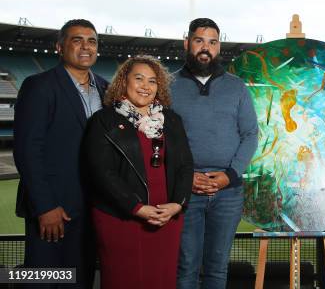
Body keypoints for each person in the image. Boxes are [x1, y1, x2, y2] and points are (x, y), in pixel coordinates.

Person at [83, 55, 193, 289]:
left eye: (152, 81)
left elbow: (185, 165)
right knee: (123, 279)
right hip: (122, 218)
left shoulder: (171, 120)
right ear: (124, 82)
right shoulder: (103, 121)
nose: (145, 86)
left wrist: (178, 204)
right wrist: (137, 208)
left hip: (166, 217)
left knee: (161, 280)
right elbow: (101, 172)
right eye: (139, 78)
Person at [13, 19, 107, 288]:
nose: (86, 47)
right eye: (77, 40)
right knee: (44, 279)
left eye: (92, 41)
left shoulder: (106, 87)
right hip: (53, 209)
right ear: (60, 46)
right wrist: (45, 206)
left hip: (92, 207)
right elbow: (27, 149)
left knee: (80, 279)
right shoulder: (39, 86)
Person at [173, 18, 258, 289]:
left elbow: (250, 135)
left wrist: (229, 175)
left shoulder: (237, 87)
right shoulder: (167, 85)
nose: (205, 48)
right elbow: (161, 140)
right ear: (187, 43)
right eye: (199, 40)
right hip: (186, 190)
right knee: (186, 266)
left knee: (217, 269)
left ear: (219, 47)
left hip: (228, 193)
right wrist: (186, 177)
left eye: (212, 42)